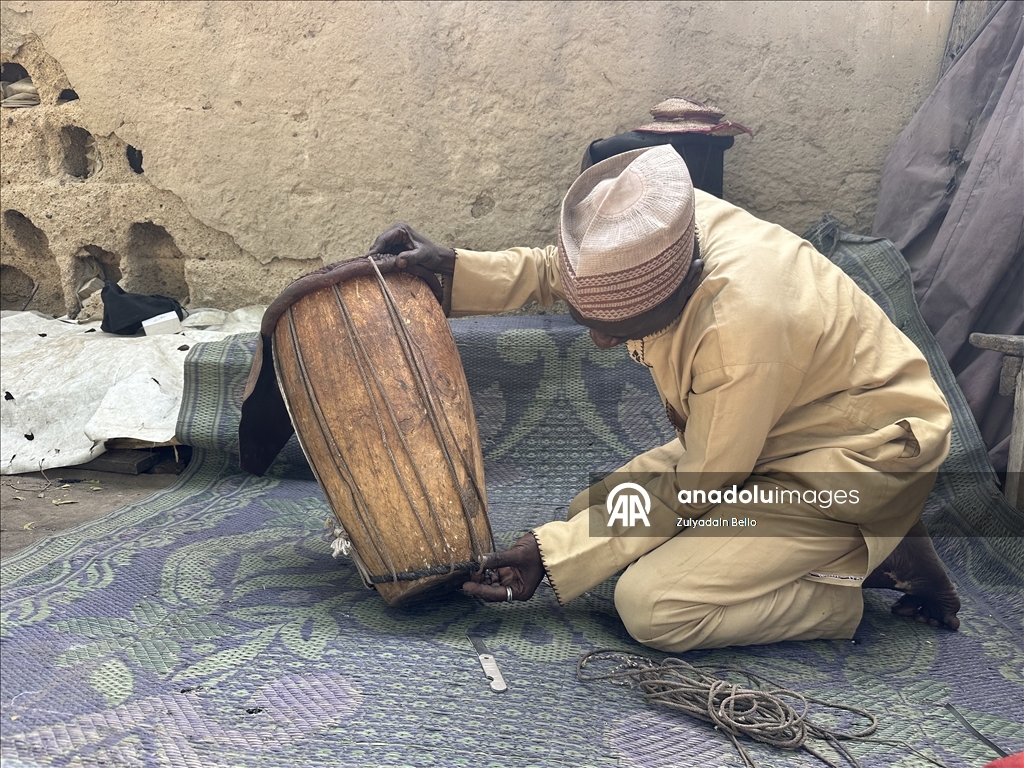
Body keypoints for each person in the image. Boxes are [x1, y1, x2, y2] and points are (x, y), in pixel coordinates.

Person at [368, 146, 962, 652]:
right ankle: (862, 539)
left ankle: (848, 584)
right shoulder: (666, 221)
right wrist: (453, 268)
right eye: (588, 316)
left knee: (652, 605)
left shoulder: (740, 332)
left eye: (621, 325)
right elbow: (566, 269)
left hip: (853, 460)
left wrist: (546, 556)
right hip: (775, 436)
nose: (600, 339)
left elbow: (699, 483)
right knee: (589, 509)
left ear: (679, 284)